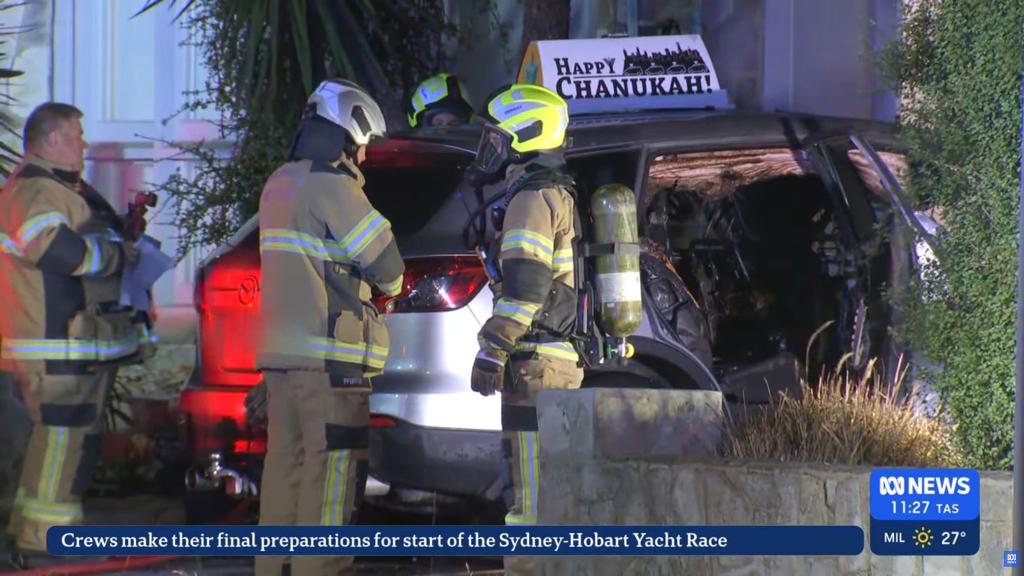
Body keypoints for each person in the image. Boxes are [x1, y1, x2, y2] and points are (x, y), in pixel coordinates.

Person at [254, 79, 404, 576]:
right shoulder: (333, 186)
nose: (362, 157)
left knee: (285, 471)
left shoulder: (280, 181)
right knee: (332, 477)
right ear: (348, 133)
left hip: (281, 362)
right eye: (362, 145)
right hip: (330, 364)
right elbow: (388, 266)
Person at [0, 102, 139, 562]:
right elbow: (53, 248)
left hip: (65, 344)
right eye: (77, 134)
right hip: (53, 347)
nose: (84, 143)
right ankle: (44, 546)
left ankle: (37, 537)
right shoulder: (36, 191)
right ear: (52, 140)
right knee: (60, 445)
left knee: (60, 446)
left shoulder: (54, 189)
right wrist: (113, 255)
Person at [468, 84, 583, 576]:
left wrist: (493, 347)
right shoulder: (557, 192)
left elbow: (526, 286)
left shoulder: (532, 199)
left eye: (500, 137)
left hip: (536, 368)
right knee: (550, 490)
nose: (491, 148)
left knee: (532, 497)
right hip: (557, 365)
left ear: (527, 135)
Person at [407, 73, 474, 128]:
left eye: (454, 125)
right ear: (420, 124)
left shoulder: (474, 143)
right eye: (438, 124)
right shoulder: (400, 144)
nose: (445, 131)